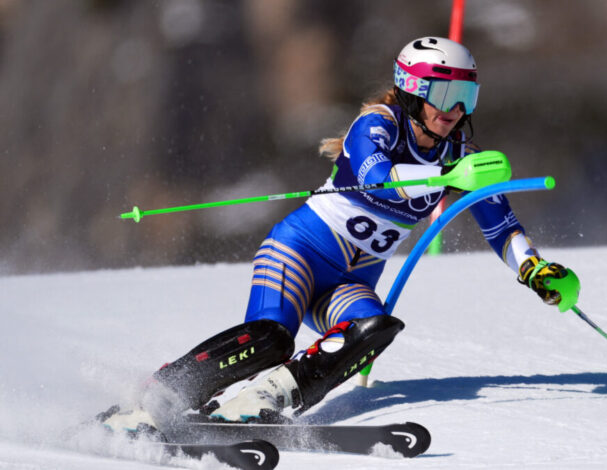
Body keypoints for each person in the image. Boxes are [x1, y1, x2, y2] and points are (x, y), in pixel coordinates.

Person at [102, 36, 579, 434]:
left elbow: (501, 226)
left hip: (349, 283)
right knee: (270, 338)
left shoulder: (461, 155)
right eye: (443, 93)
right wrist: (448, 175)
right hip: (299, 253)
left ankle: (263, 400)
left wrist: (534, 269)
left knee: (374, 328)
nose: (454, 110)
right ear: (413, 90)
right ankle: (161, 394)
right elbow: (378, 176)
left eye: (466, 97)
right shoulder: (378, 124)